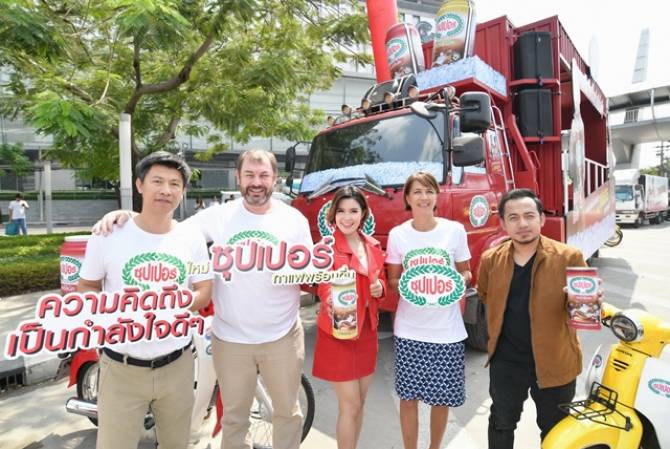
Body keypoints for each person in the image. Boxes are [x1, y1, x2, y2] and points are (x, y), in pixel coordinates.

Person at [94, 149, 311, 449]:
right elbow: (165, 227)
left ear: (275, 179)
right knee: (234, 418)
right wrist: (128, 217)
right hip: (230, 339)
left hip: (283, 337)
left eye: (264, 175)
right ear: (238, 177)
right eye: (249, 175)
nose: (256, 182)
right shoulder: (218, 215)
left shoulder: (294, 220)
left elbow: (309, 270)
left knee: (288, 412)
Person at [78, 151, 213, 449]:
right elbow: (86, 287)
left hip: (177, 365)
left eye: (175, 184)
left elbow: (204, 290)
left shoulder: (191, 238)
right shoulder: (108, 234)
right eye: (157, 181)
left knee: (176, 444)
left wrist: (176, 302)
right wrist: (111, 312)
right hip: (121, 366)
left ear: (183, 191)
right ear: (140, 185)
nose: (166, 190)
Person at [476, 188, 603, 449]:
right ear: (503, 224)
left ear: (542, 219)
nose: (522, 224)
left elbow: (585, 310)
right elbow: (486, 294)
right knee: (501, 422)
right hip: (506, 361)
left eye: (529, 215)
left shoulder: (569, 257)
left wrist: (587, 303)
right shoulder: (491, 259)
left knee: (555, 429)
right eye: (513, 217)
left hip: (555, 360)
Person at [386, 171, 472, 449]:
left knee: (441, 399)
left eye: (429, 191)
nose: (423, 197)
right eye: (417, 192)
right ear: (407, 198)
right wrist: (414, 285)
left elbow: (467, 272)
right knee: (408, 398)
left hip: (447, 331)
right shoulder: (398, 235)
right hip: (410, 330)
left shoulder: (454, 231)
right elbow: (392, 280)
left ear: (437, 196)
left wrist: (454, 282)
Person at [312, 185, 386, 449]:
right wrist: (332, 302)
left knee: (360, 403)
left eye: (353, 211)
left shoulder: (373, 245)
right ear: (333, 214)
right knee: (350, 404)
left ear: (363, 213)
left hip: (367, 332)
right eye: (341, 211)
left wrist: (380, 288)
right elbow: (323, 286)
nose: (347, 217)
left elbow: (381, 280)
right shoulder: (326, 248)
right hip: (339, 331)